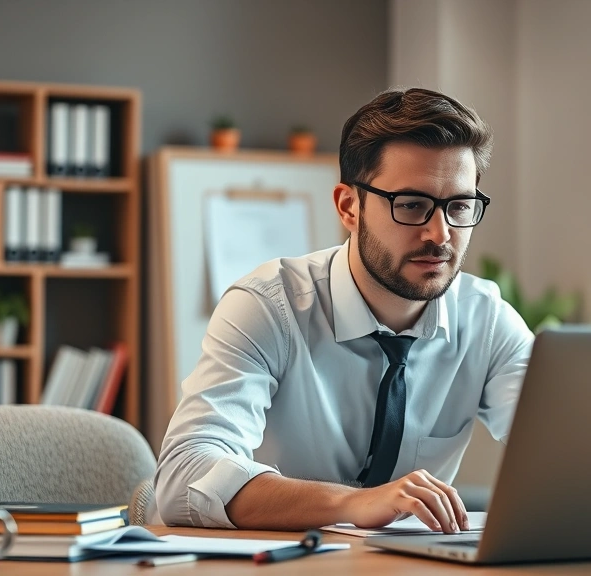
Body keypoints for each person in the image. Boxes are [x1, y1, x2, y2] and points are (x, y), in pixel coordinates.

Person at [153, 88, 533, 533]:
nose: (440, 233)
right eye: (412, 205)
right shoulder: (267, 308)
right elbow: (183, 478)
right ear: (349, 207)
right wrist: (353, 504)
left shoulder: (486, 321)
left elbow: (565, 448)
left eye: (459, 207)